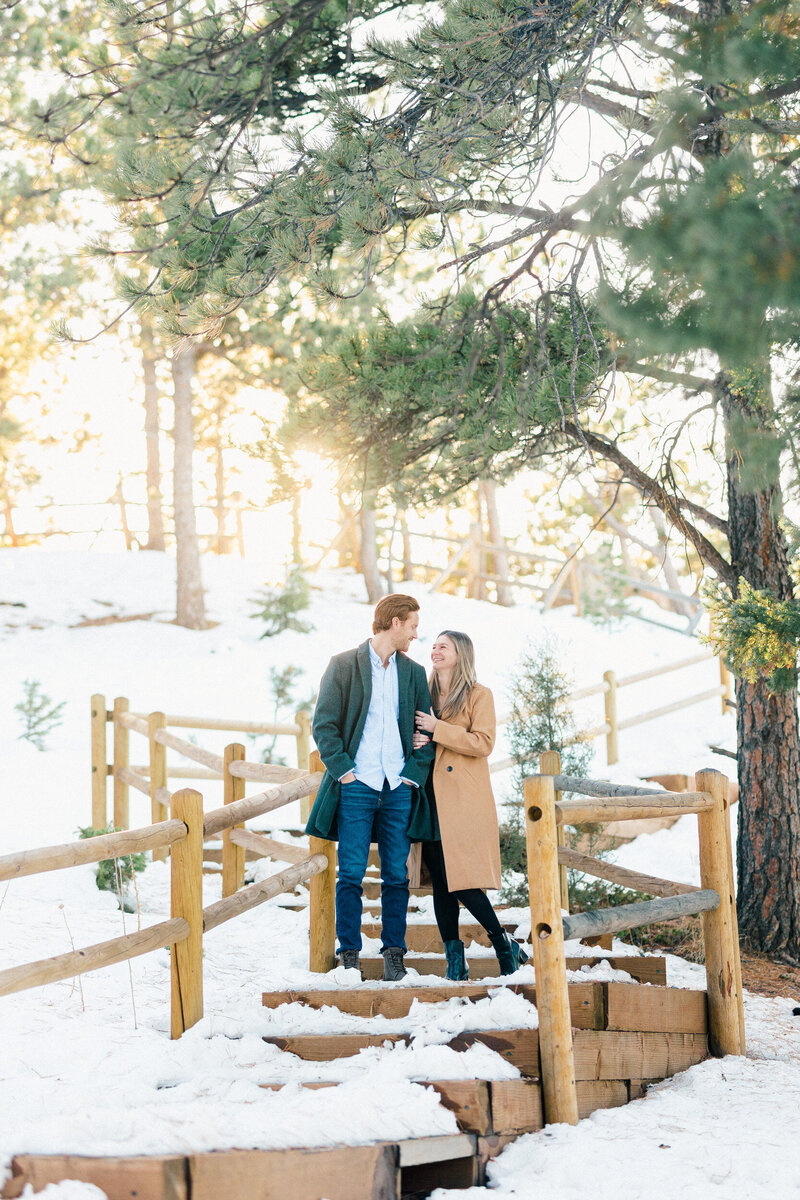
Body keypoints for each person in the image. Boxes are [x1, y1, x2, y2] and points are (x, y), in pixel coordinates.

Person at [306, 594, 435, 981]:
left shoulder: (412, 673)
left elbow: (424, 731)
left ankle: (394, 953)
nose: (416, 634)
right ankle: (349, 955)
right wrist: (344, 771)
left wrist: (413, 773)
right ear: (395, 623)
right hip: (357, 785)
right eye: (412, 625)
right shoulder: (343, 665)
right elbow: (323, 725)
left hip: (397, 786)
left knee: (397, 874)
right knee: (350, 874)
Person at [412, 630, 528, 981]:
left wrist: (437, 728)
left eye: (442, 646)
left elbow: (483, 742)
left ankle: (502, 942)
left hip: (462, 799)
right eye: (433, 646)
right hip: (428, 796)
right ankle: (454, 958)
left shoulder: (479, 695)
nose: (434, 650)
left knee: (460, 879)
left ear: (460, 653)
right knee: (442, 883)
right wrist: (419, 738)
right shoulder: (424, 692)